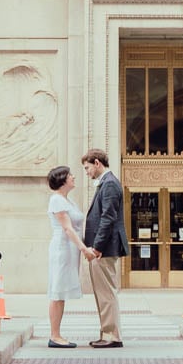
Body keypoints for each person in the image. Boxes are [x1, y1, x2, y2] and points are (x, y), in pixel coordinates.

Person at [82, 148, 129, 348]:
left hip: (104, 249)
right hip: (103, 248)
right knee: (103, 293)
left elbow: (108, 217)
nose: (86, 172)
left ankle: (112, 336)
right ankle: (107, 333)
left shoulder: (109, 184)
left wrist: (97, 247)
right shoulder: (107, 183)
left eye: (87, 168)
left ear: (97, 163)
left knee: (106, 293)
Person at [45, 165, 88, 348]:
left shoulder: (68, 201)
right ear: (62, 180)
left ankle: (56, 334)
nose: (73, 177)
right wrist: (84, 249)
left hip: (70, 250)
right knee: (57, 292)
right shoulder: (56, 200)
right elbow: (68, 228)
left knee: (60, 292)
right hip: (62, 249)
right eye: (70, 175)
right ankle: (55, 336)